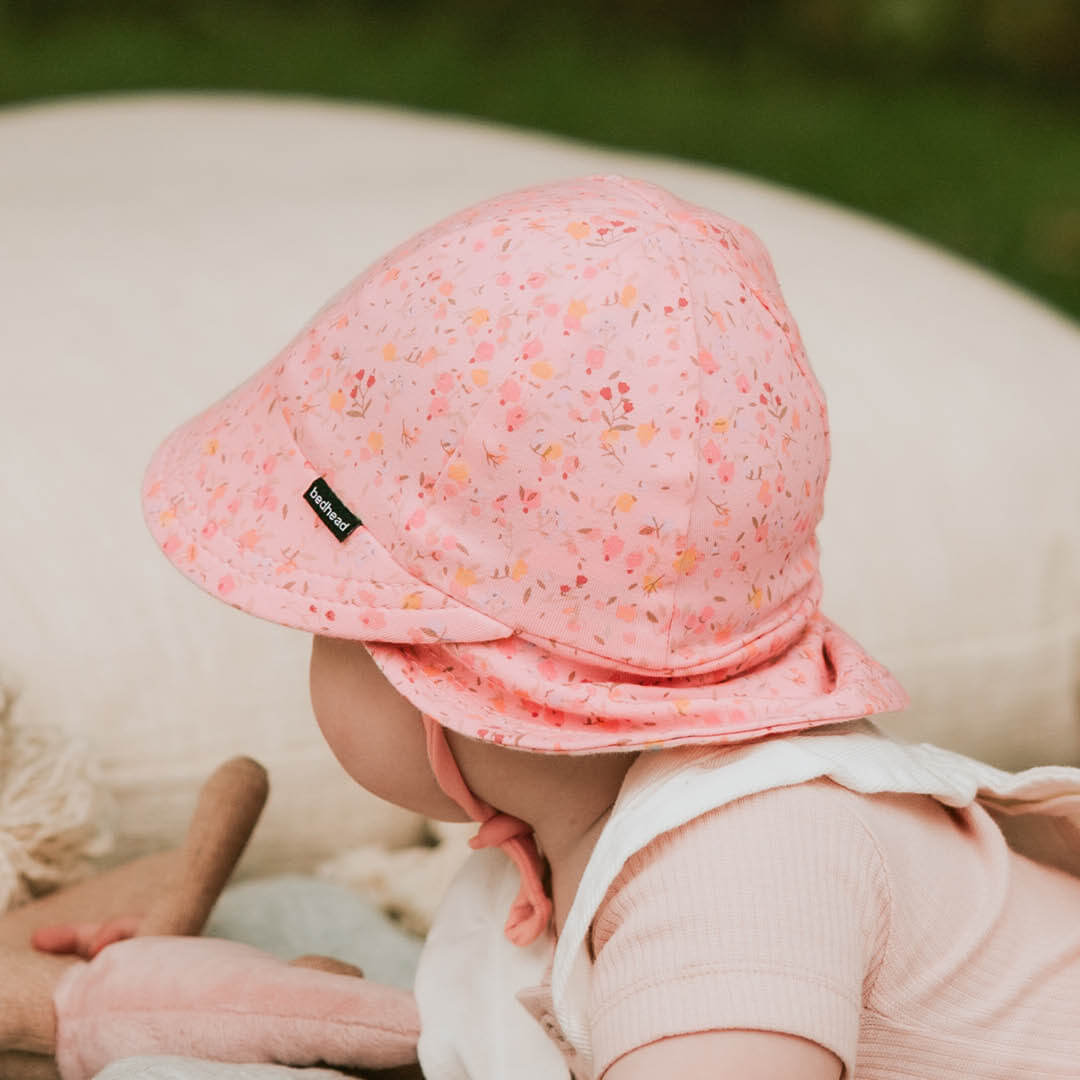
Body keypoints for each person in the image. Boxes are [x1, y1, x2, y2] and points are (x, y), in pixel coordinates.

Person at [32, 174, 1080, 1078]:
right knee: (290, 927)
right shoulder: (574, 834)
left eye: (329, 624)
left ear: (451, 676)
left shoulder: (742, 868)